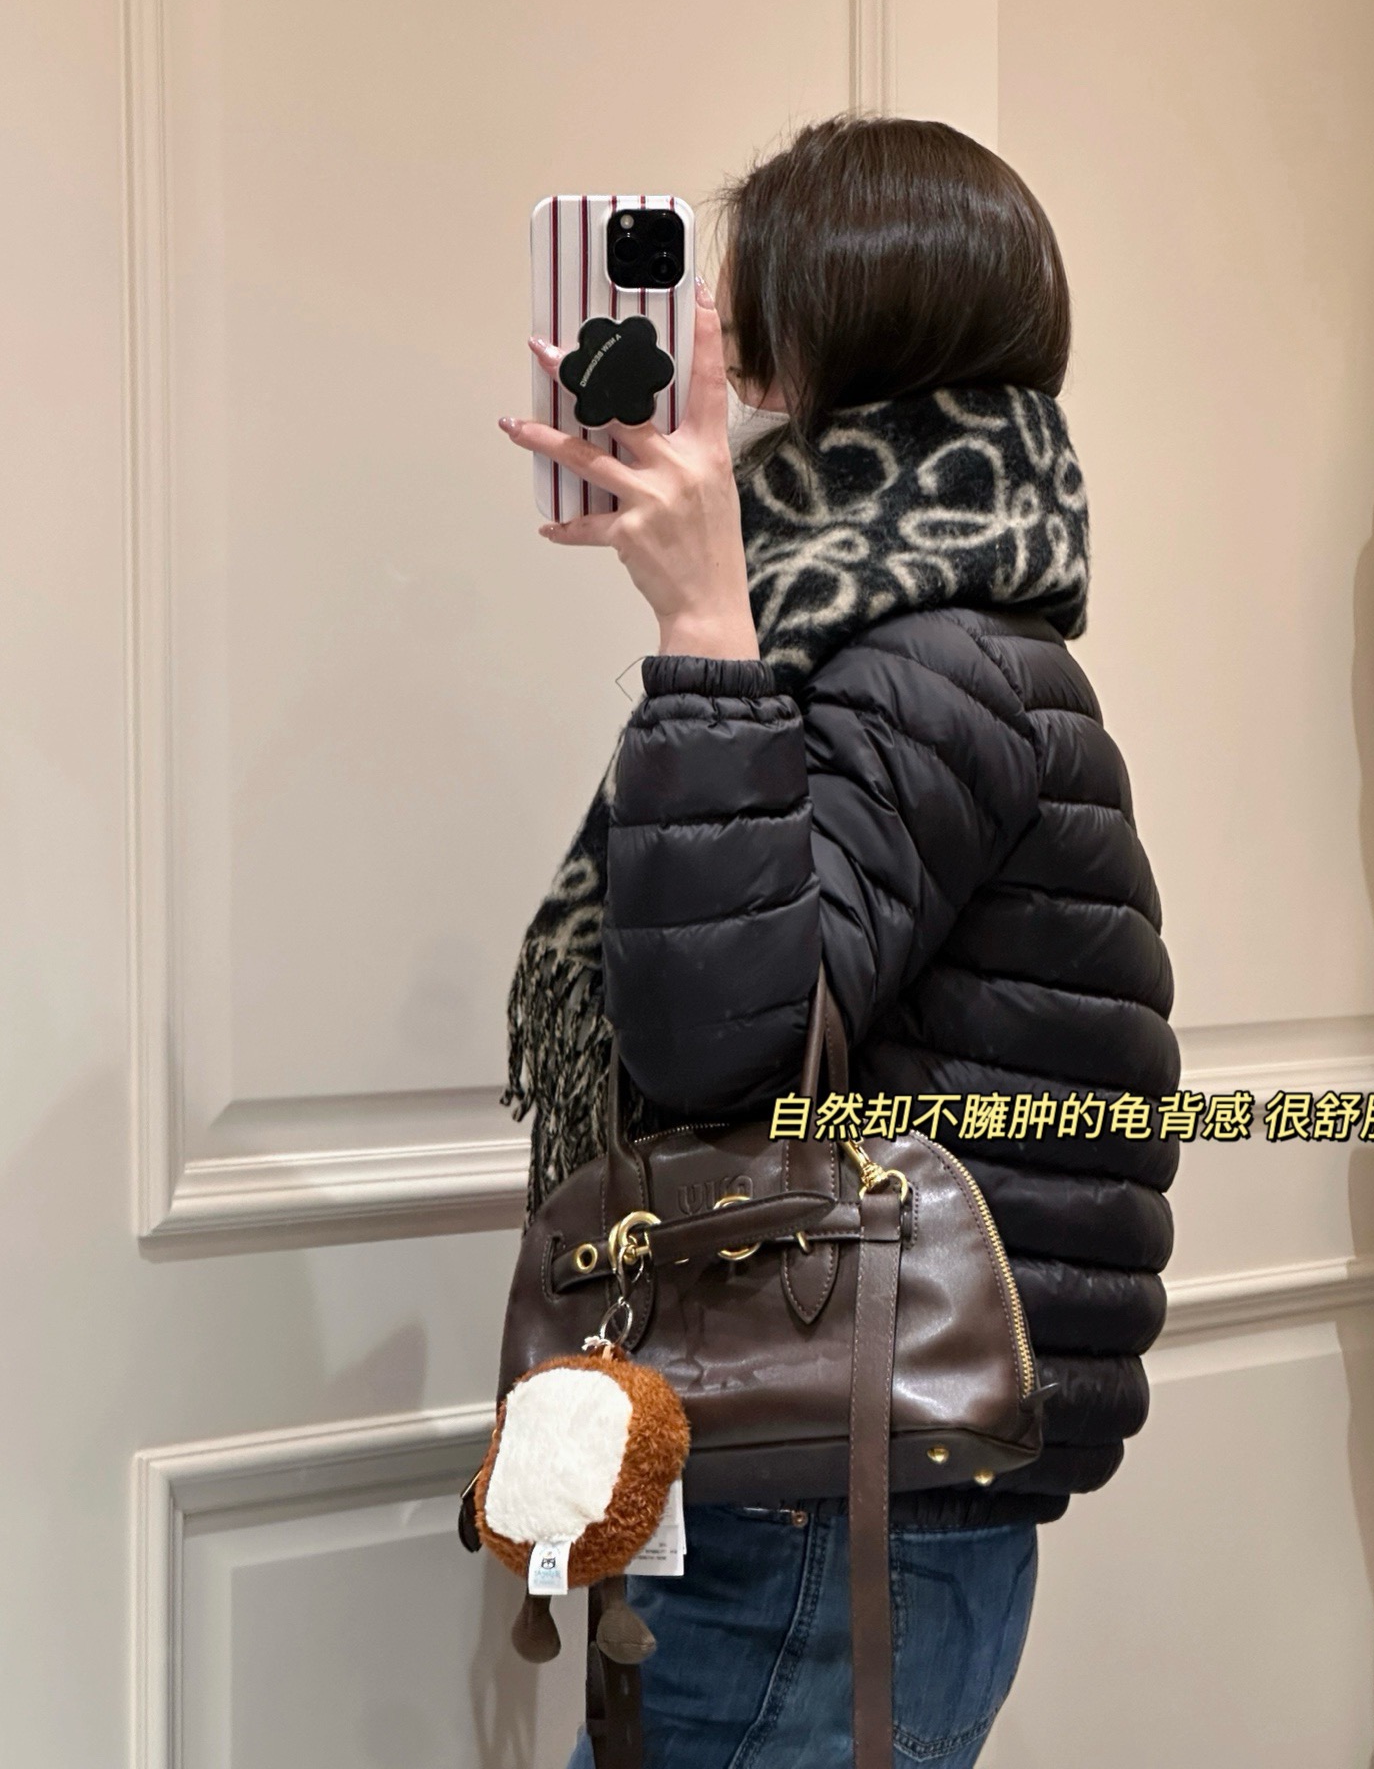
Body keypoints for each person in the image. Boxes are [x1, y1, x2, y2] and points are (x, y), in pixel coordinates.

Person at [497, 114, 1182, 1769]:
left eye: (749, 339)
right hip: (844, 1485)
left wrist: (704, 631)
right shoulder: (934, 639)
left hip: (825, 1514)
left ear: (845, 346)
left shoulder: (928, 663)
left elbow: (717, 1044)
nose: (723, 377)